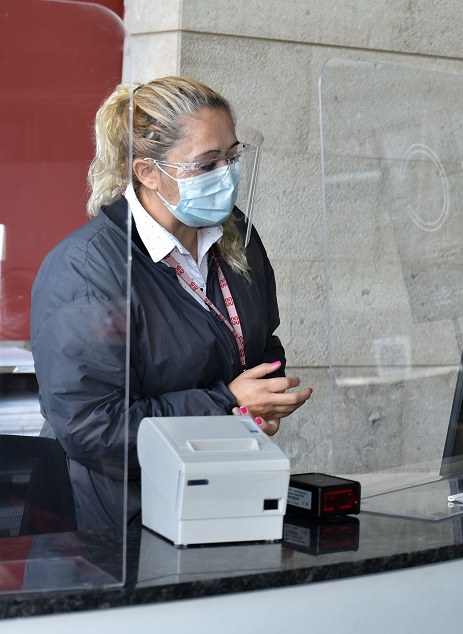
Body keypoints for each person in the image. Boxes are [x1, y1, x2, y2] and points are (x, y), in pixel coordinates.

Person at [30, 76, 313, 531]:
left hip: (219, 495)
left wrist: (265, 397)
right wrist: (227, 407)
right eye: (207, 164)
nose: (227, 174)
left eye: (233, 156)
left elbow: (258, 341)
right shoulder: (87, 270)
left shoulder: (235, 235)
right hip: (118, 528)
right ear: (147, 172)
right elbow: (92, 428)